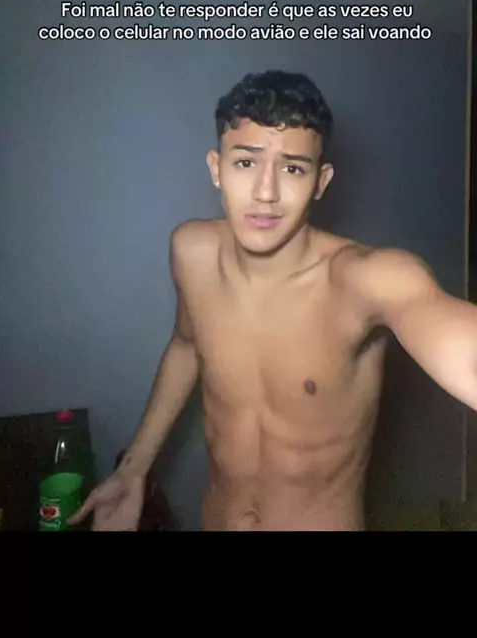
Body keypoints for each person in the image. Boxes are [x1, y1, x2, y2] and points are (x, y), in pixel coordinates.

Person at [69, 70, 477, 531]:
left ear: (320, 181)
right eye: (246, 162)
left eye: (292, 168)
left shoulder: (363, 280)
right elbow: (186, 345)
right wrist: (134, 468)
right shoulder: (192, 253)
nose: (266, 193)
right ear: (216, 168)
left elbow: (450, 336)